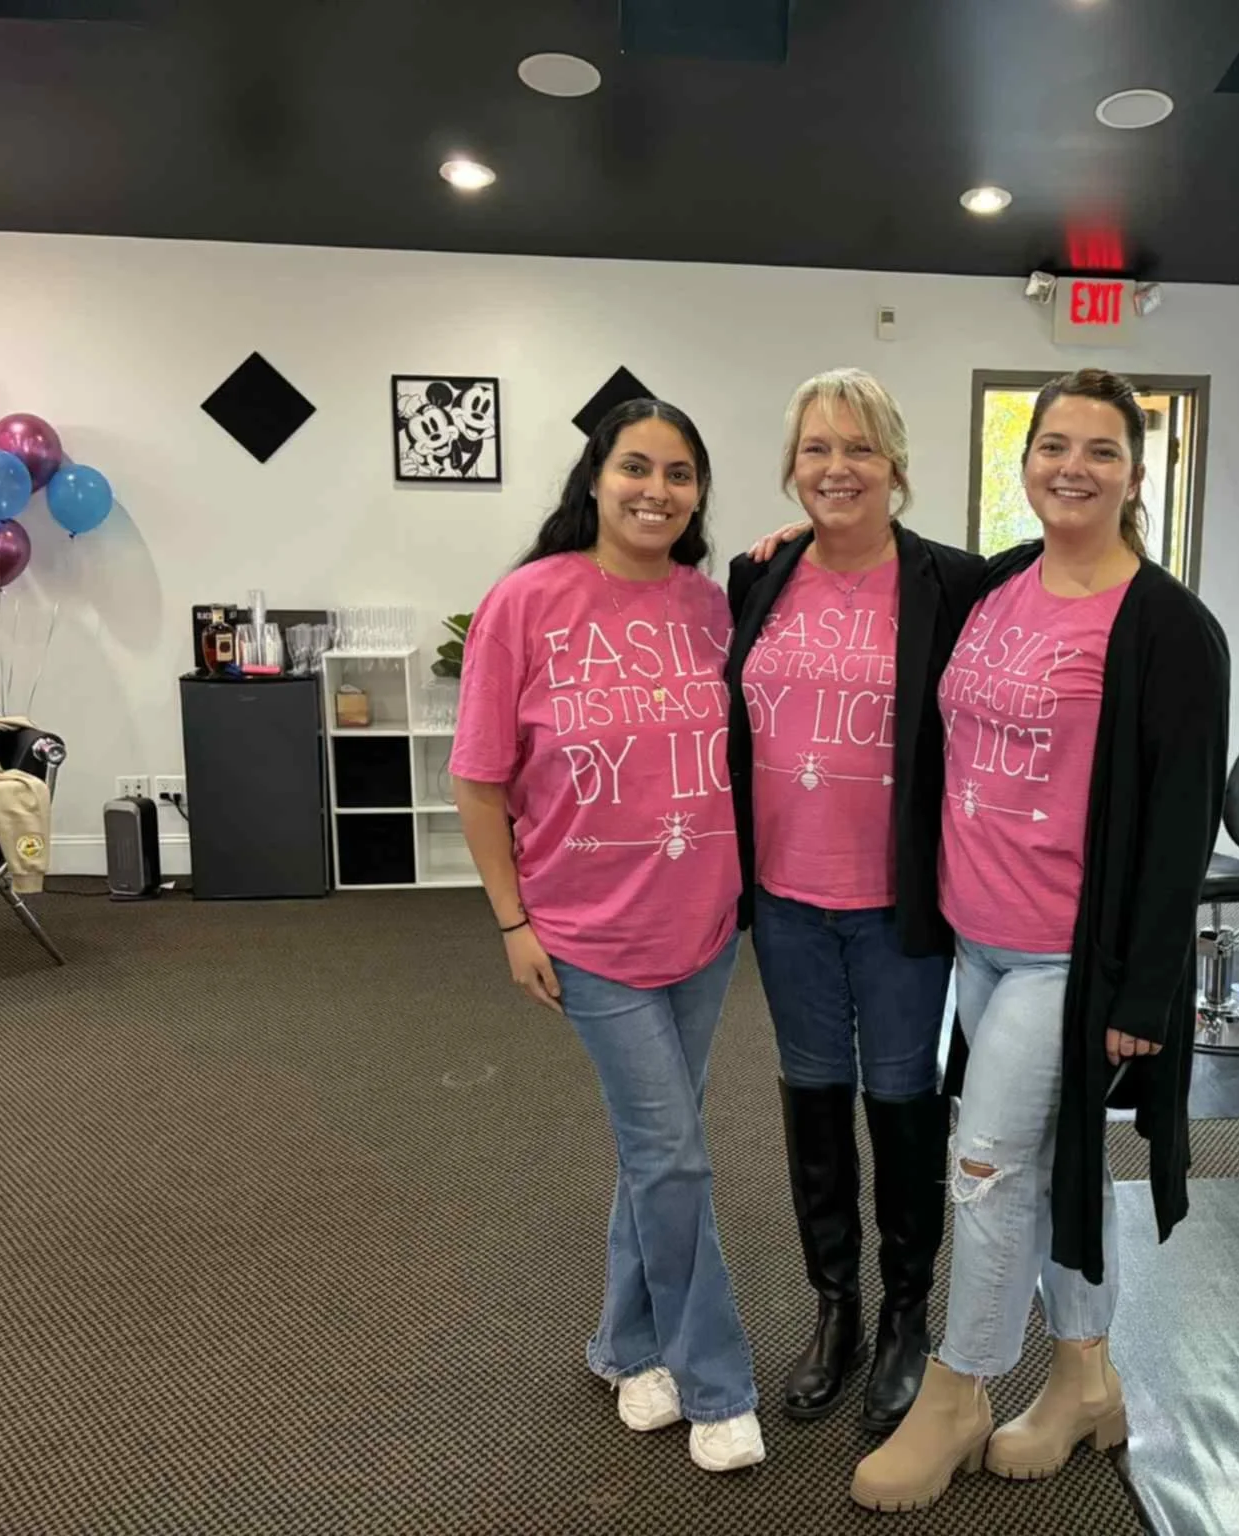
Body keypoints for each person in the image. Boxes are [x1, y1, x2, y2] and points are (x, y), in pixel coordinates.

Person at [849, 368, 1230, 1512]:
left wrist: (1144, 993)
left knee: (983, 1164)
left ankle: (957, 1390)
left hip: (1073, 956)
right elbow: (885, 566)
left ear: (1133, 472)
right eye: (1051, 444)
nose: (1071, 466)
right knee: (1060, 1163)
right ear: (1023, 463)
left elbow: (1177, 829)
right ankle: (1083, 1381)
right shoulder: (996, 583)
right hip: (980, 937)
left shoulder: (1167, 627)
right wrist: (794, 541)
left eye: (1100, 450)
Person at [449, 398, 765, 1474]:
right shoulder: (525, 603)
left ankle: (626, 1343)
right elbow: (478, 781)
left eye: (681, 474)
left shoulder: (712, 610)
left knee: (653, 1151)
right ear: (595, 477)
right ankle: (716, 1380)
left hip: (704, 925)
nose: (657, 491)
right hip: (587, 932)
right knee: (673, 1156)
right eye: (637, 467)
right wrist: (510, 920)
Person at [724, 369, 985, 1434]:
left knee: (901, 1105)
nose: (837, 467)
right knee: (814, 1106)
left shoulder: (950, 582)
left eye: (859, 448)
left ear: (896, 466)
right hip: (784, 899)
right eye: (817, 448)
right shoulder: (761, 576)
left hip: (895, 903)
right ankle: (833, 1307)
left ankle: (904, 1317)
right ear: (792, 466)